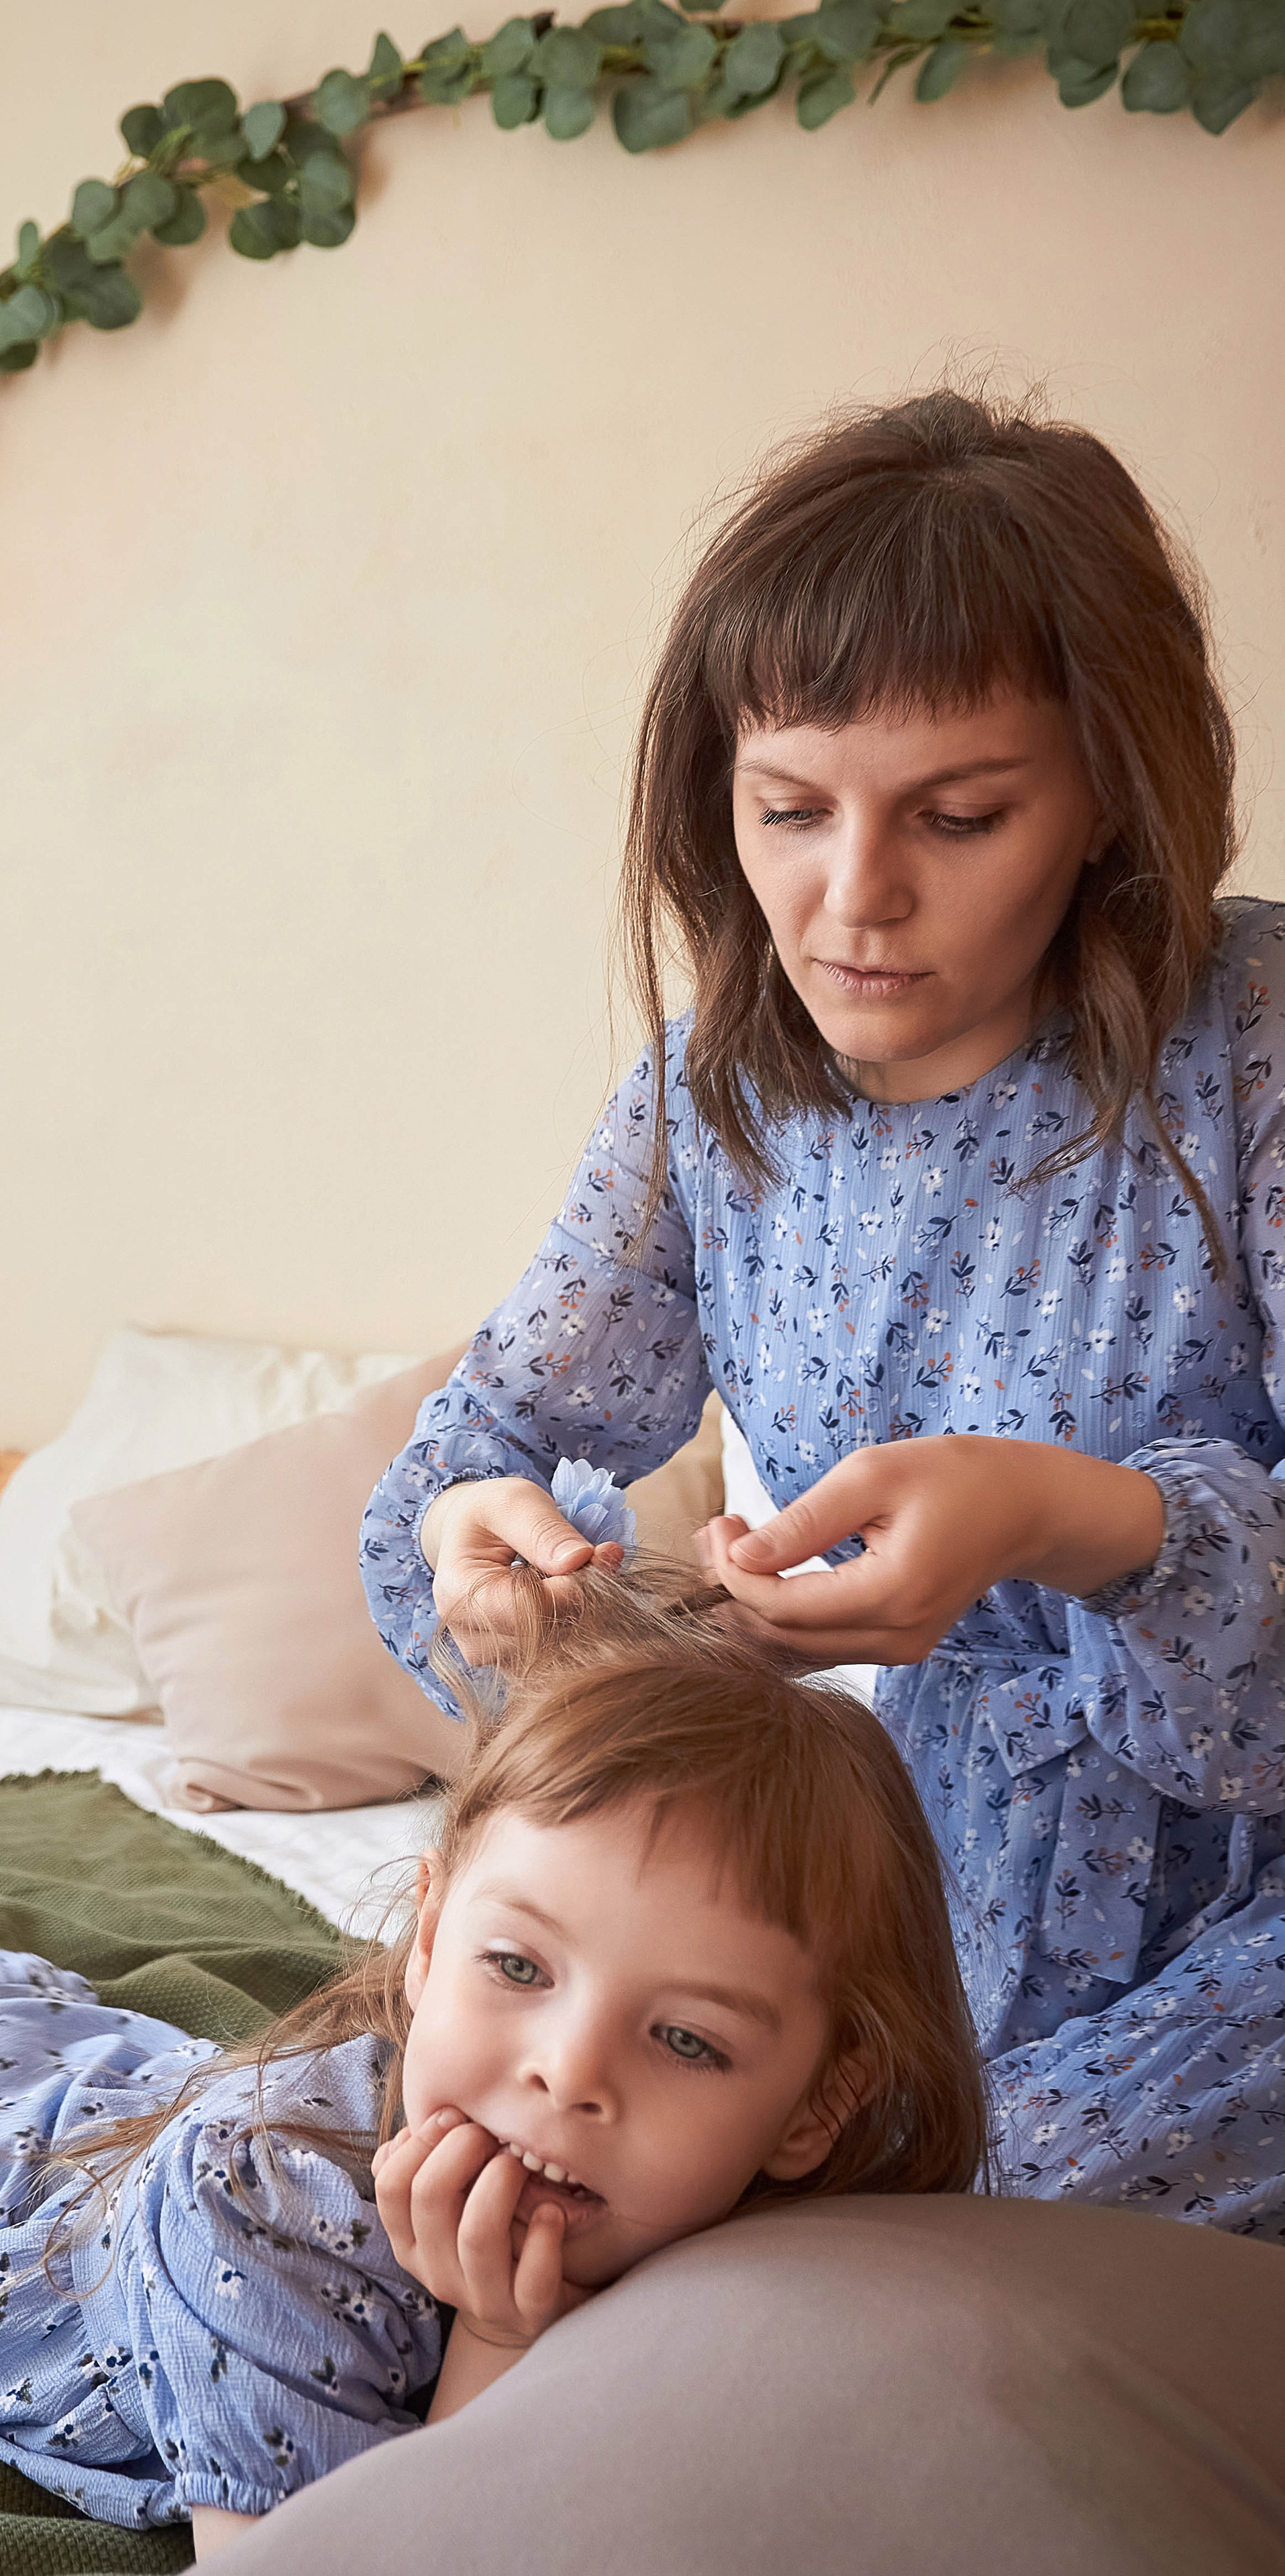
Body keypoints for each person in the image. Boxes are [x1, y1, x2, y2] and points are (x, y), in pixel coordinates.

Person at [0, 1333, 984, 2552]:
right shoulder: (272, 2219)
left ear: (818, 2105)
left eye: (684, 2039)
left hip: (29, 2078)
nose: (567, 2073)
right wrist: (494, 2346)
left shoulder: (781, 2258)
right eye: (516, 1968)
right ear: (426, 1939)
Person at [361, 384, 1285, 2241]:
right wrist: (486, 1552)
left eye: (960, 815)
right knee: (440, 2164)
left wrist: (1069, 1519)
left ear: (1107, 794)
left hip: (1250, 1938)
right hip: (909, 1912)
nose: (853, 898)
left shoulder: (1252, 1045)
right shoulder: (710, 1096)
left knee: (907, 2243)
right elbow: (485, 1451)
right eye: (787, 809)